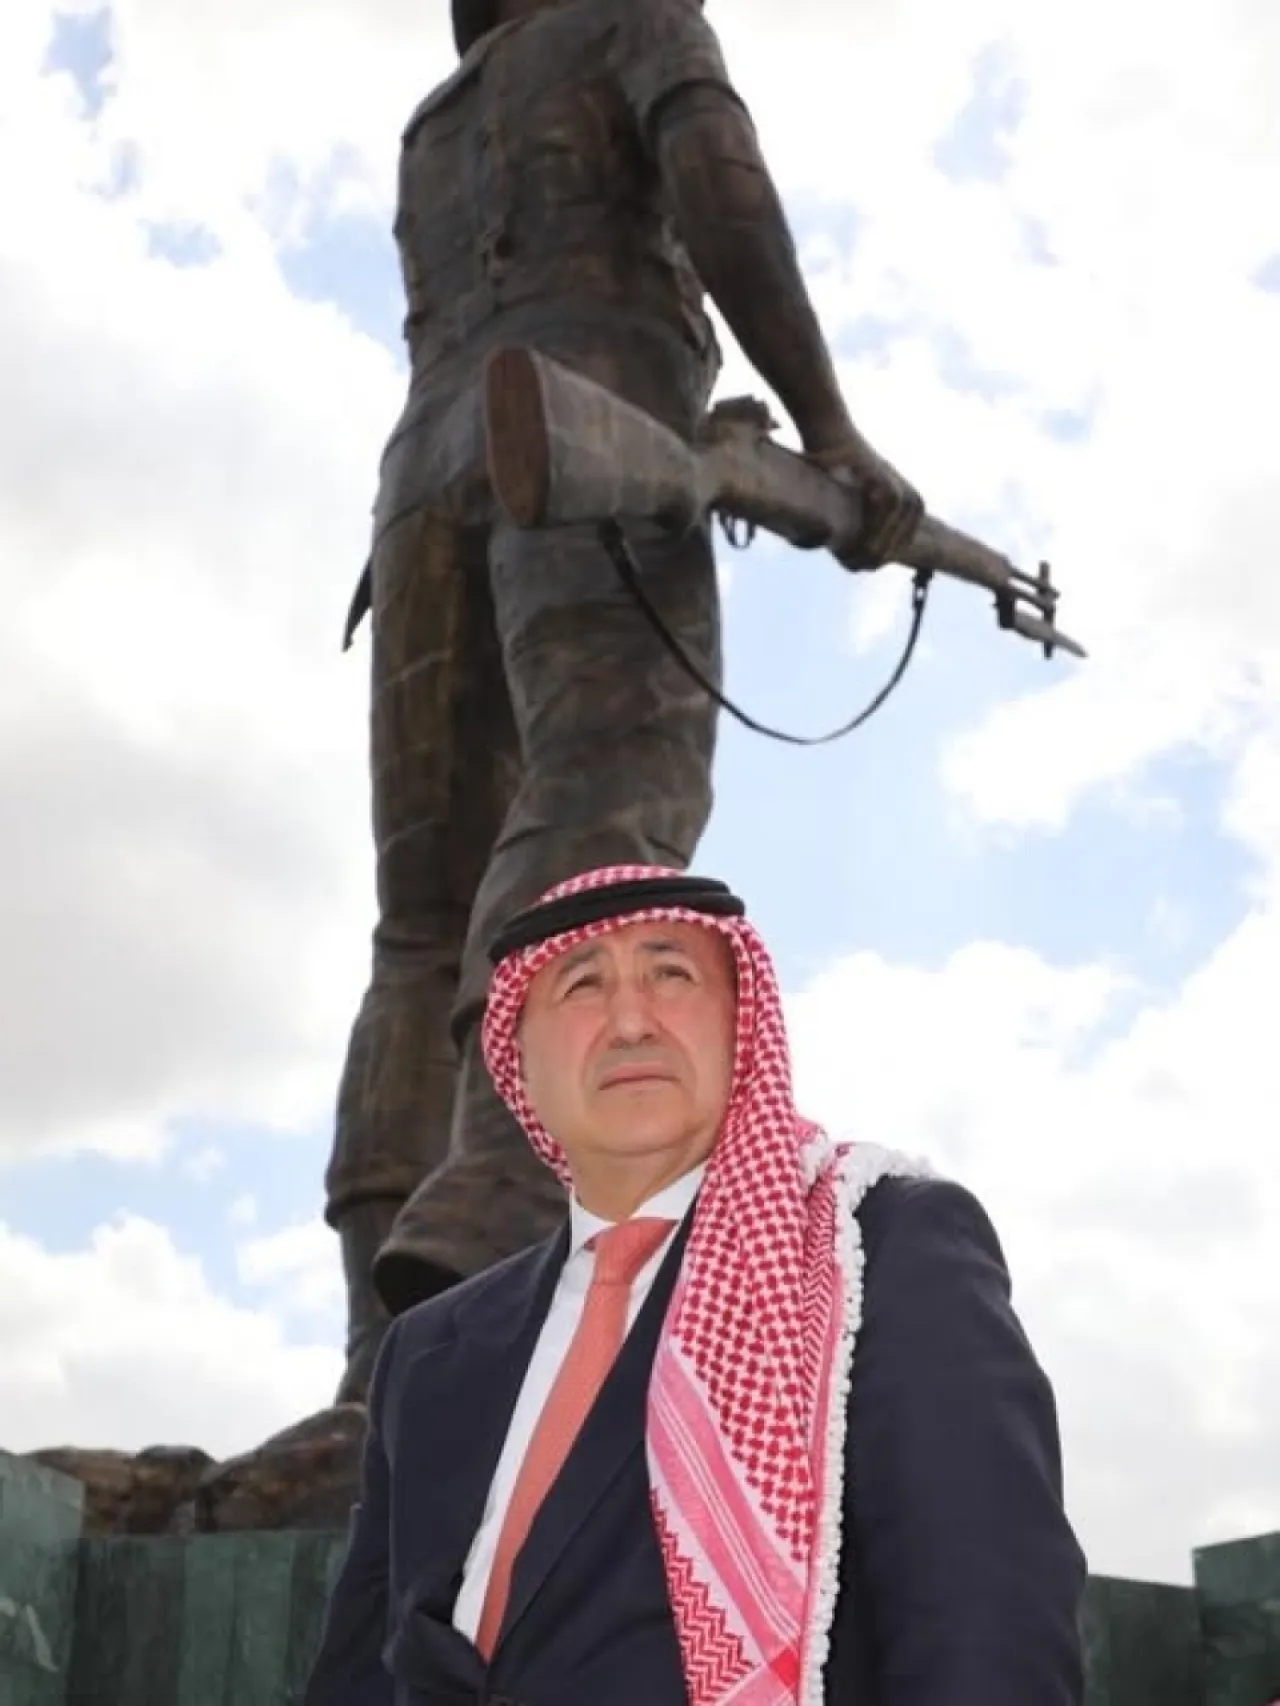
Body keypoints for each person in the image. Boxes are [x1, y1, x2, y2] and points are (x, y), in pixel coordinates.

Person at [324, 0, 927, 1403]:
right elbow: (717, 173)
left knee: (417, 925)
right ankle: (493, 1213)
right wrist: (830, 429)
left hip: (424, 471)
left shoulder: (436, 124)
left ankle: (376, 1349)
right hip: (585, 407)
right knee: (606, 797)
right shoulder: (630, 16)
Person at [304, 864, 1087, 1706]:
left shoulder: (878, 1251)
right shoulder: (428, 1352)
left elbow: (986, 1626)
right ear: (516, 1062)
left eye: (671, 974)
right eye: (582, 985)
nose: (630, 1021)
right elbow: (358, 1672)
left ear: (742, 1026)